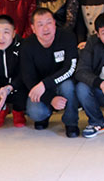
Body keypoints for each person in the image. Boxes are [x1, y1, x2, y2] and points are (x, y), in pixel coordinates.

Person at [21, 8, 80, 137]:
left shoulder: (67, 37)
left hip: (61, 81)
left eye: (49, 22)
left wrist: (45, 84)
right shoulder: (27, 45)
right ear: (33, 28)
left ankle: (71, 122)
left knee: (68, 86)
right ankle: (46, 114)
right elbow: (28, 78)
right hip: (40, 87)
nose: (46, 28)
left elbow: (70, 68)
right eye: (40, 24)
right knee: (36, 113)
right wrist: (50, 98)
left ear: (54, 23)